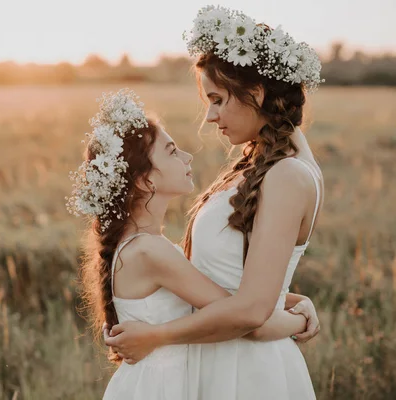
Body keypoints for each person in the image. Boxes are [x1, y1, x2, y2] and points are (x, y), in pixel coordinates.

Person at [104, 6, 324, 399]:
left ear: (255, 93)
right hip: (219, 355)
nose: (210, 116)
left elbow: (252, 310)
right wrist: (293, 302)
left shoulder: (288, 175)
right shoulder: (260, 165)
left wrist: (156, 336)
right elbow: (237, 283)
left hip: (249, 371)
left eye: (218, 99)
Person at [67, 88, 315, 400]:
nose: (187, 156)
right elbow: (246, 317)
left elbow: (226, 295)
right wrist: (301, 319)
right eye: (171, 152)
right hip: (159, 388)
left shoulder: (144, 247)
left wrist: (293, 300)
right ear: (146, 181)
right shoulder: (149, 251)